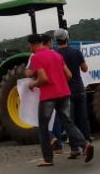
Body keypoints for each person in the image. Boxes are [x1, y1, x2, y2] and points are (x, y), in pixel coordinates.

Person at [25, 34, 93, 166]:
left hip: (48, 96)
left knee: (43, 126)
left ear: (32, 44)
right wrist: (59, 83)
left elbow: (43, 78)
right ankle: (85, 144)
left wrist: (32, 84)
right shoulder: (56, 55)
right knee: (68, 122)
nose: (29, 47)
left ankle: (48, 159)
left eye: (29, 45)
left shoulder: (36, 57)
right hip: (64, 93)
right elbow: (68, 75)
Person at [50, 29, 92, 155]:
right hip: (79, 89)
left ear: (55, 40)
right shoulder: (76, 52)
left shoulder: (55, 55)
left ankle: (74, 148)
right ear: (67, 38)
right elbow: (84, 69)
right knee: (83, 118)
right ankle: (87, 142)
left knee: (69, 121)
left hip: (65, 92)